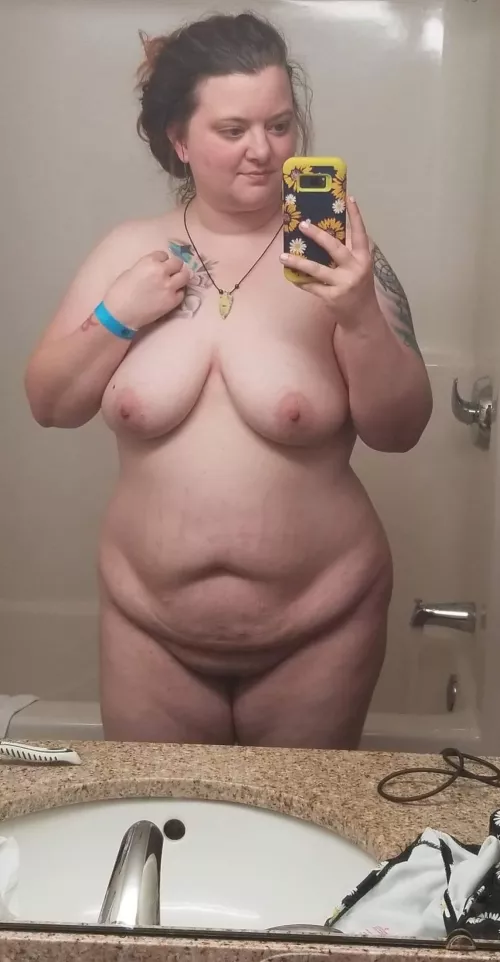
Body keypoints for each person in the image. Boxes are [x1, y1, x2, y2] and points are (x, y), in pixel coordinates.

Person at [25, 13, 432, 748]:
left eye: (279, 125)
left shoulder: (337, 258)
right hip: (149, 628)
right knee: (161, 814)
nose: (262, 151)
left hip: (321, 625)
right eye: (233, 129)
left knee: (294, 819)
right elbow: (49, 404)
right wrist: (118, 315)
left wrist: (358, 313)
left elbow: (400, 431)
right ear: (180, 141)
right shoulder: (126, 251)